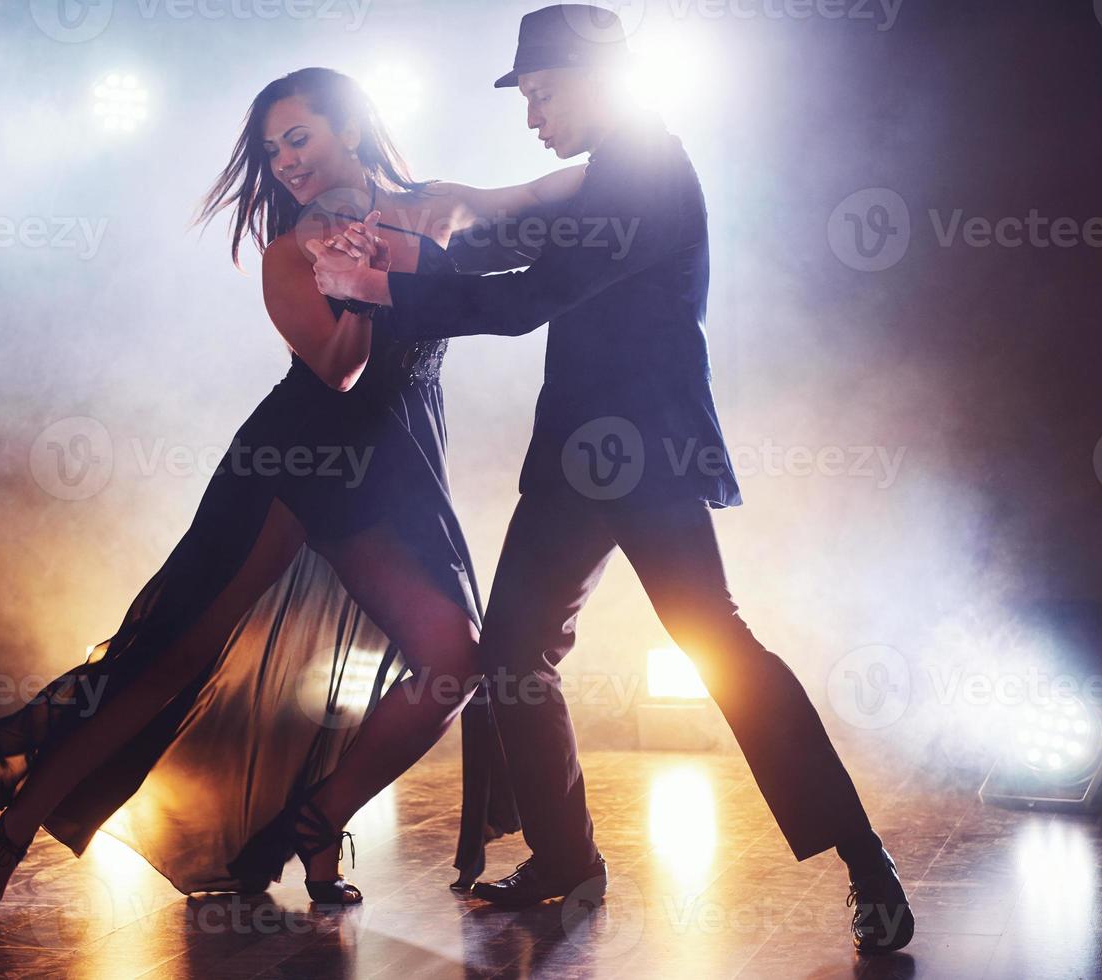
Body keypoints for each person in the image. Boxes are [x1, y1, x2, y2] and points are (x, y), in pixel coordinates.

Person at [310, 5, 916, 954]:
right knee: (511, 655)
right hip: (575, 457)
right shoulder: (610, 172)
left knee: (715, 645)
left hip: (652, 448)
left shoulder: (646, 169)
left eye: (544, 92)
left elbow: (522, 300)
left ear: (598, 79)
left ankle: (862, 860)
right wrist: (405, 245)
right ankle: (565, 860)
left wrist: (381, 286)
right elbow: (514, 249)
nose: (533, 113)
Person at [0, 66, 590, 921]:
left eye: (299, 138)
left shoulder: (430, 204)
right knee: (169, 654)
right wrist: (355, 286)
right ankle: (8, 838)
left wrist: (630, 152)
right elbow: (338, 371)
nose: (283, 161)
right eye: (271, 148)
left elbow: (535, 195)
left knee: (453, 659)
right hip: (297, 458)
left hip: (394, 466)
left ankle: (319, 820)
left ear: (348, 131)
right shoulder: (290, 250)